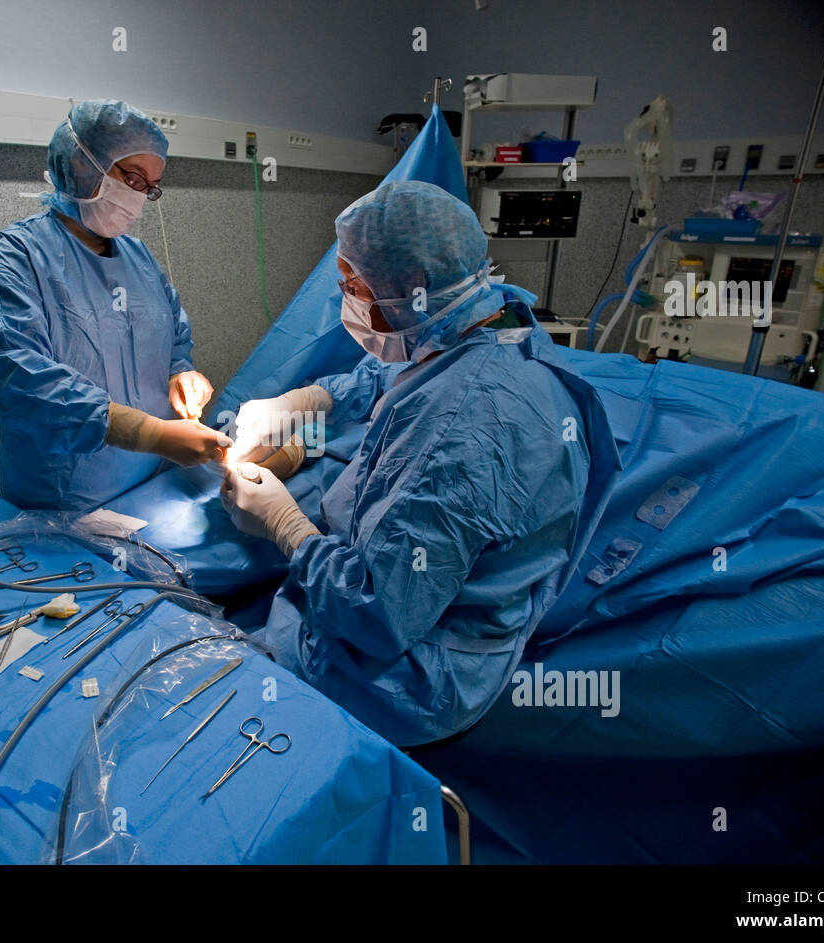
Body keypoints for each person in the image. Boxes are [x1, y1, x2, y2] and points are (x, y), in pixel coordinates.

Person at [221, 180, 621, 746]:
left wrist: (285, 525)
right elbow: (400, 371)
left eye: (354, 284)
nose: (347, 298)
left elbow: (377, 615)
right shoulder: (492, 319)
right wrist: (312, 400)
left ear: (411, 290)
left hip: (408, 677)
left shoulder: (456, 435)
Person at [0, 99, 229, 514]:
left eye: (150, 187)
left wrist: (181, 372)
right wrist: (151, 434)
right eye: (132, 177)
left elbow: (172, 337)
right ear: (80, 164)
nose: (140, 196)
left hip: (149, 485)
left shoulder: (139, 259)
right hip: (63, 499)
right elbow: (18, 380)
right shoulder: (18, 257)